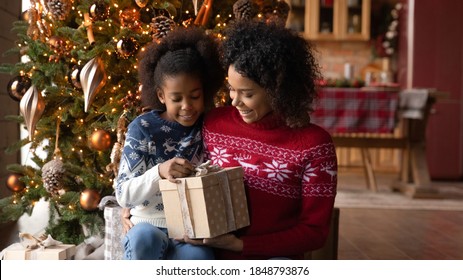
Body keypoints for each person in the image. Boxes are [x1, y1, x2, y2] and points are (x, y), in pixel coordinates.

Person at [185, 20, 338, 259]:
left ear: (277, 89)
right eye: (231, 89)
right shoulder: (213, 123)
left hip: (273, 260)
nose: (234, 101)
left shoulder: (315, 145)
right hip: (209, 256)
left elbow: (314, 232)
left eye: (247, 94)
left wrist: (240, 245)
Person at [115, 26, 225, 260]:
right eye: (176, 99)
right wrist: (159, 172)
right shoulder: (142, 128)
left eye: (195, 96)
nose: (187, 106)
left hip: (190, 230)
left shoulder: (210, 125)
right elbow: (123, 194)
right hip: (147, 226)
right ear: (161, 95)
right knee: (144, 238)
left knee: (201, 257)